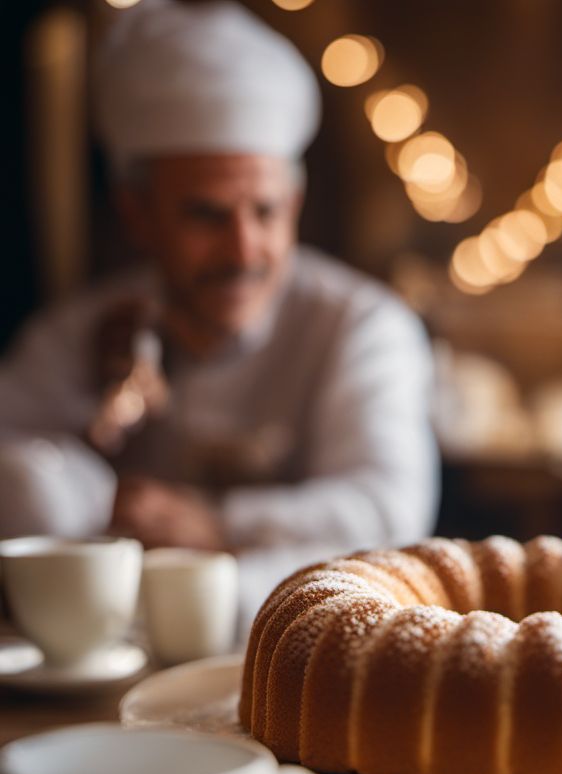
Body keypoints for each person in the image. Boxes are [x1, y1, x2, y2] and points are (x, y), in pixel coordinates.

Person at [0, 0, 439, 625]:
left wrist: (211, 523)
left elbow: (387, 511)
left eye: (264, 212)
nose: (242, 252)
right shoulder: (78, 332)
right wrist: (79, 454)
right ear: (137, 215)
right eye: (205, 215)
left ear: (295, 203)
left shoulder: (363, 328)